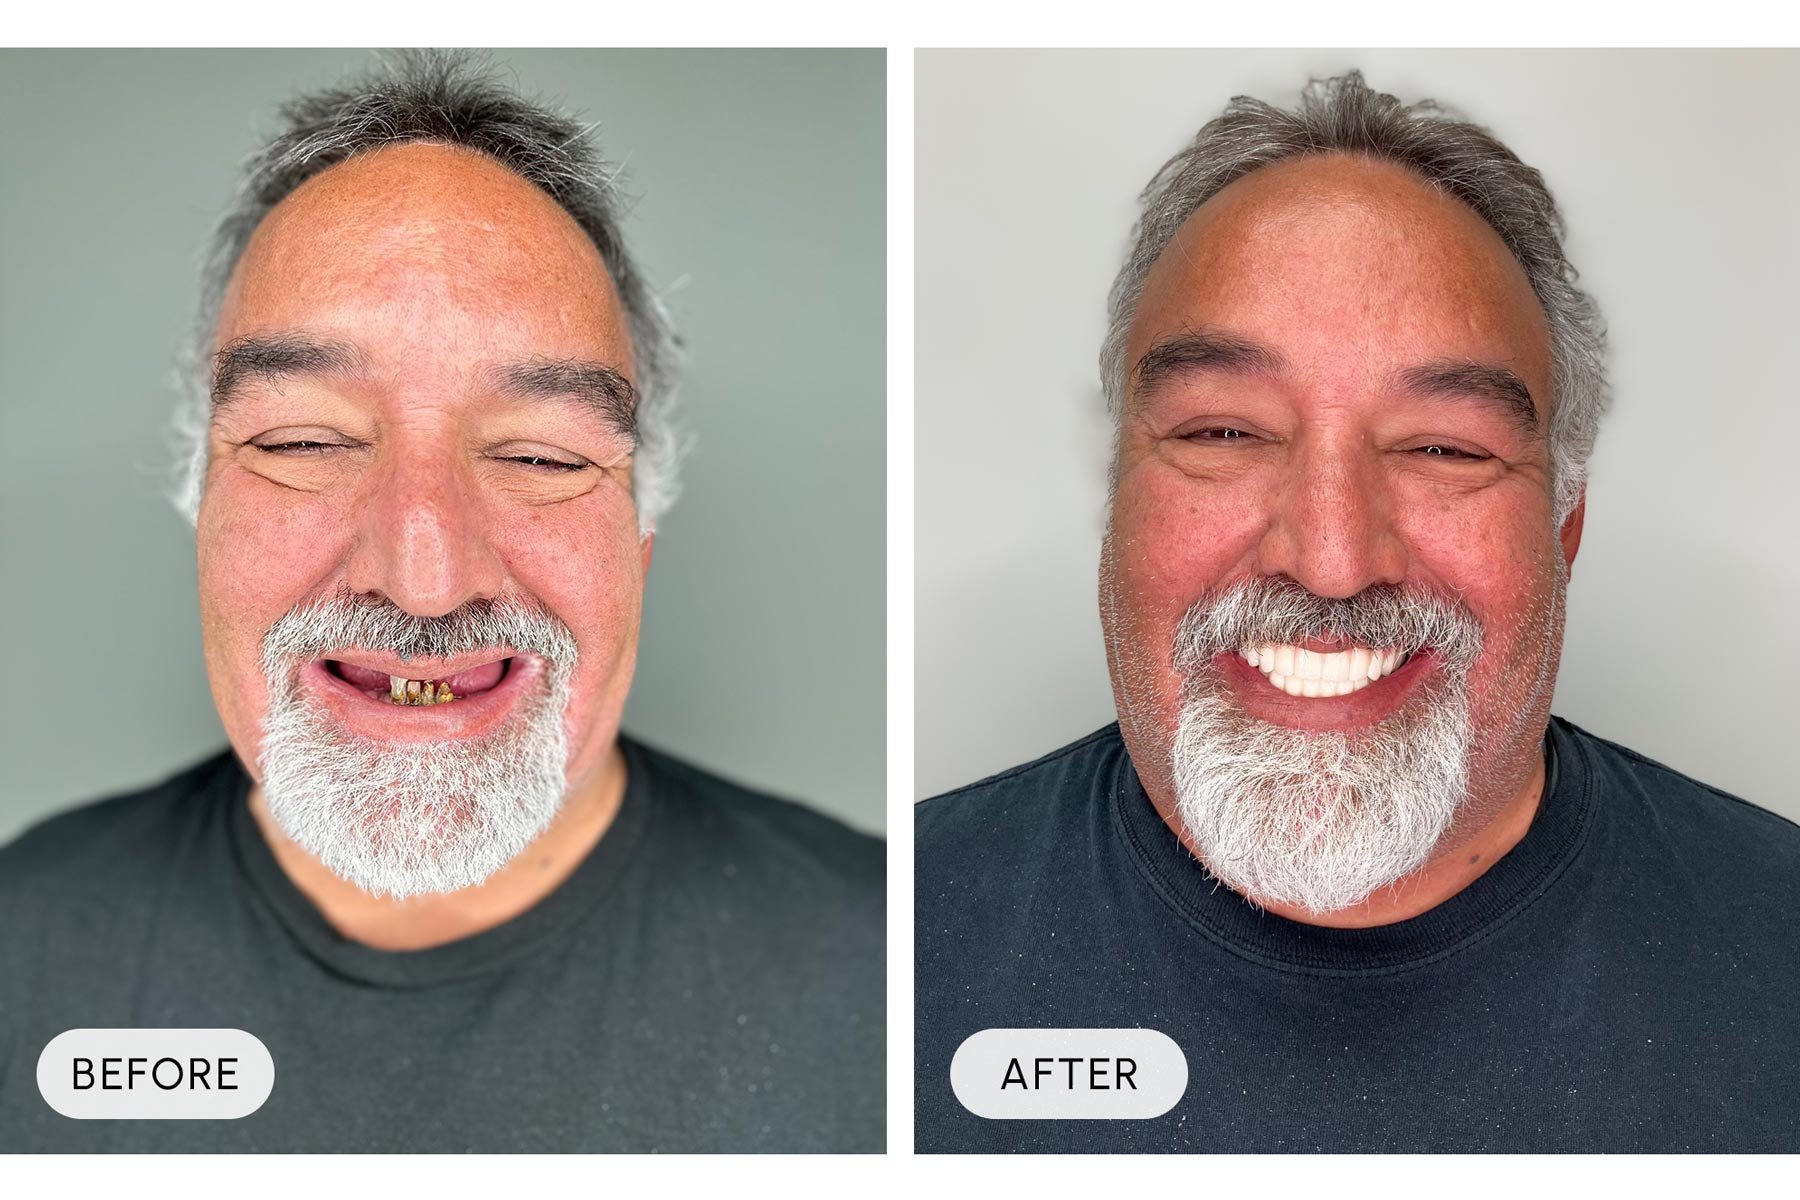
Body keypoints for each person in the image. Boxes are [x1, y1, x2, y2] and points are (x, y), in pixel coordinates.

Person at [0, 50, 883, 1153]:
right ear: (200, 507)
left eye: (540, 457)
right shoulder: (20, 946)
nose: (424, 578)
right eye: (305, 441)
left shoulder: (885, 966)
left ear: (640, 545)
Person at [916, 71, 1800, 1152]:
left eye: (1443, 448)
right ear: (1117, 498)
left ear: (1564, 525)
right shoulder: (892, 951)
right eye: (1223, 434)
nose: (1334, 563)